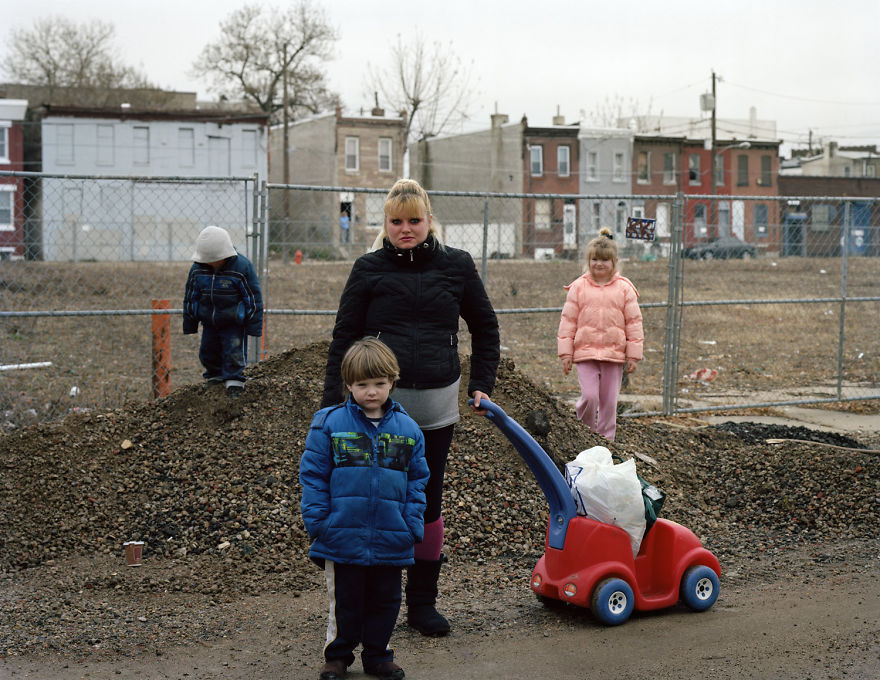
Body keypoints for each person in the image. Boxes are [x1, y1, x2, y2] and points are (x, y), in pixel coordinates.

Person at [321, 178, 500, 637]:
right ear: (385, 223)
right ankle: (367, 605)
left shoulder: (457, 265)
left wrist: (482, 384)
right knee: (373, 500)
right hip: (375, 414)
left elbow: (485, 327)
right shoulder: (368, 269)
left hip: (435, 411)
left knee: (426, 502)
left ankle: (422, 604)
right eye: (397, 221)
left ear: (429, 220)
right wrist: (330, 405)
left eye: (414, 220)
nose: (406, 228)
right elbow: (344, 337)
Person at [301, 337, 429, 680]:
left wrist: (410, 524)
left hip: (393, 535)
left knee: (386, 601)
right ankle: (337, 656)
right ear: (348, 384)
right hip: (341, 534)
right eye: (362, 385)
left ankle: (378, 655)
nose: (371, 392)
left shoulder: (408, 430)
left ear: (392, 382)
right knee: (345, 602)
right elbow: (313, 476)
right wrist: (319, 522)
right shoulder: (328, 424)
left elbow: (418, 481)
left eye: (379, 383)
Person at [557, 227, 643, 441]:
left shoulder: (625, 289)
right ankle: (584, 434)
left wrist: (633, 355)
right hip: (585, 353)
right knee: (590, 397)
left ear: (615, 261)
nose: (599, 264)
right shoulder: (578, 287)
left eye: (605, 260)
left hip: (614, 356)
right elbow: (568, 321)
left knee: (609, 402)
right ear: (588, 261)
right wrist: (566, 354)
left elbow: (634, 323)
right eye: (595, 259)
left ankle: (606, 441)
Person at [182, 225, 263, 398]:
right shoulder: (197, 270)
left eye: (214, 259)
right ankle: (214, 375)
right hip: (209, 322)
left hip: (233, 322)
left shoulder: (241, 268)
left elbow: (253, 298)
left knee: (233, 351)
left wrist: (253, 325)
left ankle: (234, 380)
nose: (210, 263)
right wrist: (190, 322)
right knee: (207, 351)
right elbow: (191, 297)